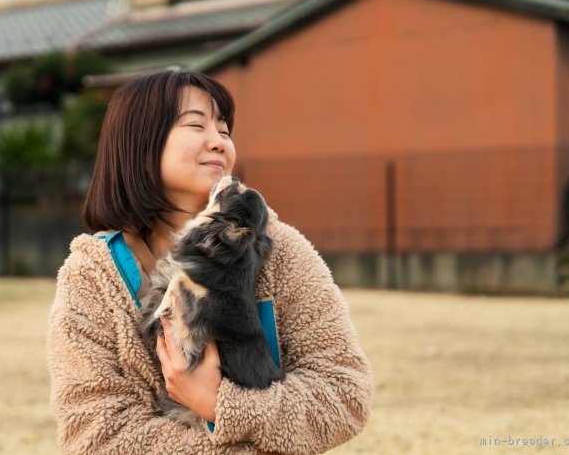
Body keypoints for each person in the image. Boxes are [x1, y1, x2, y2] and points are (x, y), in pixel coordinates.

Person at [46, 70, 374, 454]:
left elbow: (344, 392)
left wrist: (219, 402)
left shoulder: (280, 250)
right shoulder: (93, 275)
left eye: (224, 129)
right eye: (195, 125)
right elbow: (95, 435)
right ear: (140, 144)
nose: (218, 142)